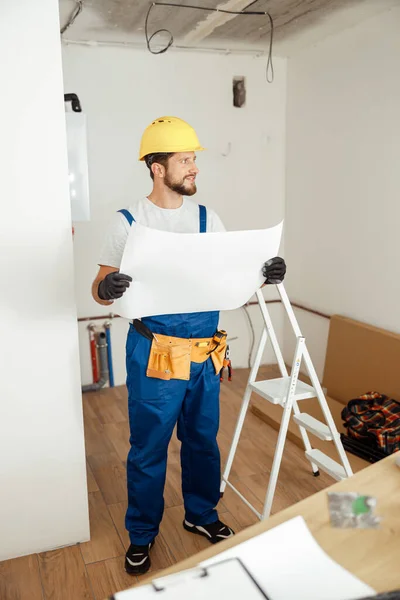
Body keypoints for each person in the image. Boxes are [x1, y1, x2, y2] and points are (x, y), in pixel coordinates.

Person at [92, 116, 286, 575]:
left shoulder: (206, 218)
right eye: (185, 160)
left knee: (202, 441)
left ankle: (201, 514)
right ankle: (142, 533)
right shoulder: (128, 222)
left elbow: (228, 276)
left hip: (203, 353)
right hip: (155, 353)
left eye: (193, 158)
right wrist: (109, 286)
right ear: (157, 168)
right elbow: (98, 287)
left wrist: (265, 273)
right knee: (149, 447)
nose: (194, 167)